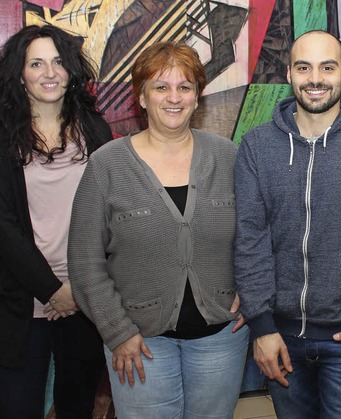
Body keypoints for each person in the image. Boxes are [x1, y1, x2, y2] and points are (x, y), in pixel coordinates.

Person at [234, 30, 341, 418]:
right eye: (304, 67)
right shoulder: (257, 146)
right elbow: (250, 239)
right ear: (289, 74)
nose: (315, 79)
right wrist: (262, 326)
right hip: (280, 338)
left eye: (327, 67)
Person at [68, 41, 248, 418]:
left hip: (221, 338)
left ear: (197, 96)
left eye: (185, 87)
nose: (174, 98)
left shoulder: (228, 156)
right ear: (142, 96)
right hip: (139, 342)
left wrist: (254, 294)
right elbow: (85, 261)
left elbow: (257, 235)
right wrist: (117, 332)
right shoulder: (107, 165)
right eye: (161, 87)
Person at [0, 24, 111, 418]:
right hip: (20, 302)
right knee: (17, 408)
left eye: (59, 61)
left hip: (85, 297)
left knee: (76, 407)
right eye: (36, 63)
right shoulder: (3, 136)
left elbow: (110, 216)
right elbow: (5, 229)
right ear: (20, 74)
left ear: (71, 71)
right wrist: (52, 290)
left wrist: (77, 290)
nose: (49, 72)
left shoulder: (95, 131)